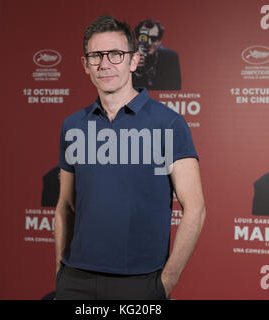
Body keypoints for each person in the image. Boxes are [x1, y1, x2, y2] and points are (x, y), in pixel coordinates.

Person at [55, 15, 206, 300]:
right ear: (85, 64)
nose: (105, 64)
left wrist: (165, 284)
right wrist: (60, 270)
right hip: (75, 281)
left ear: (133, 61)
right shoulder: (72, 126)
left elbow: (195, 209)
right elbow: (65, 205)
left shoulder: (169, 124)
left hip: (141, 284)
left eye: (116, 54)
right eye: (96, 55)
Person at [133, 19, 181, 90]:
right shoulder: (128, 56)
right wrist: (137, 72)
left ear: (159, 41)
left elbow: (175, 89)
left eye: (153, 38)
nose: (149, 43)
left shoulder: (170, 57)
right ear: (137, 39)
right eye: (143, 38)